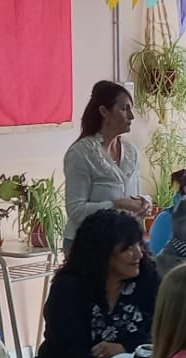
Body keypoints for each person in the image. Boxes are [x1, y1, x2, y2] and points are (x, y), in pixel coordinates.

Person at [29, 209, 159, 358]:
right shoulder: (68, 288)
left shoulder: (148, 279)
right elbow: (69, 350)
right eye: (128, 248)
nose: (138, 254)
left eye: (139, 245)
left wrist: (124, 349)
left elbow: (161, 334)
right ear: (102, 251)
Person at [62, 81, 150, 250]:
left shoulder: (131, 151)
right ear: (104, 112)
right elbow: (76, 210)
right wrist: (117, 204)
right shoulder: (81, 153)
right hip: (88, 245)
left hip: (123, 242)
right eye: (124, 109)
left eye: (131, 109)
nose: (131, 116)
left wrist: (143, 203)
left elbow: (133, 195)